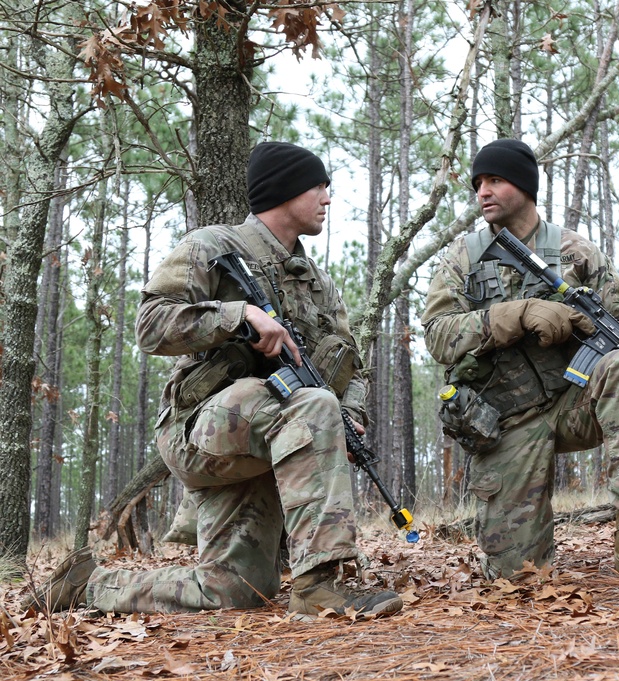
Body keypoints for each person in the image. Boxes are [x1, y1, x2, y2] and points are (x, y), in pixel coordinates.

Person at [24, 142, 403, 619]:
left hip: (272, 434)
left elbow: (354, 368)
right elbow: (150, 325)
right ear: (285, 191)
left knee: (233, 590)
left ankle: (87, 587)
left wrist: (348, 419)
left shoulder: (317, 283)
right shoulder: (212, 245)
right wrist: (236, 315)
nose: (328, 198)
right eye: (319, 187)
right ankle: (319, 587)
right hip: (200, 431)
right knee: (313, 405)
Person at [421, 139, 619, 583]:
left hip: (577, 402)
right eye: (478, 183)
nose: (483, 192)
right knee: (518, 577)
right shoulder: (463, 258)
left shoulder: (576, 251)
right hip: (505, 422)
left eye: (495, 180)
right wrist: (515, 314)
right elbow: (437, 335)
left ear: (526, 187)